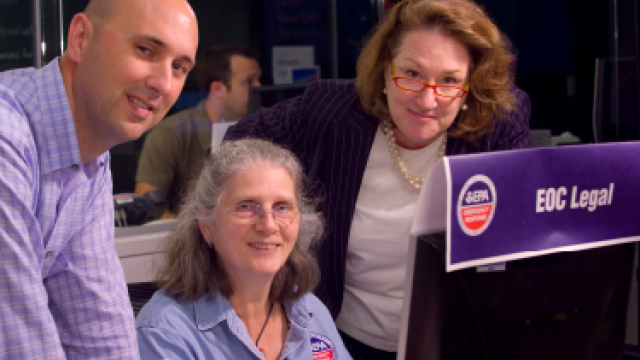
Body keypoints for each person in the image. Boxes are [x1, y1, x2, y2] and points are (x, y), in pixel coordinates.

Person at [224, 0, 534, 358]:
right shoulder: (331, 110)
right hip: (346, 341)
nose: (428, 99)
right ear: (386, 67)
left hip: (454, 341)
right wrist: (286, 203)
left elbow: (525, 235)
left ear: (470, 86)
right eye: (412, 74)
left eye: (449, 81)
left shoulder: (497, 124)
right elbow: (238, 142)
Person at [0, 0, 198, 358]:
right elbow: (20, 343)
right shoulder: (7, 137)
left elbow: (99, 329)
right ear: (79, 38)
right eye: (145, 49)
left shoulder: (90, 160)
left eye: (180, 67)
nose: (163, 83)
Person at [136, 139, 352, 360]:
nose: (268, 225)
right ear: (206, 224)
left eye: (282, 207)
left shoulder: (310, 310)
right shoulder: (164, 334)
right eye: (246, 206)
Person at [135, 45, 262, 218]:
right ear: (218, 89)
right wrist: (191, 240)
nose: (258, 87)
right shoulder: (171, 132)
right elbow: (148, 205)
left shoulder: (261, 128)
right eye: (249, 81)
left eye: (258, 80)